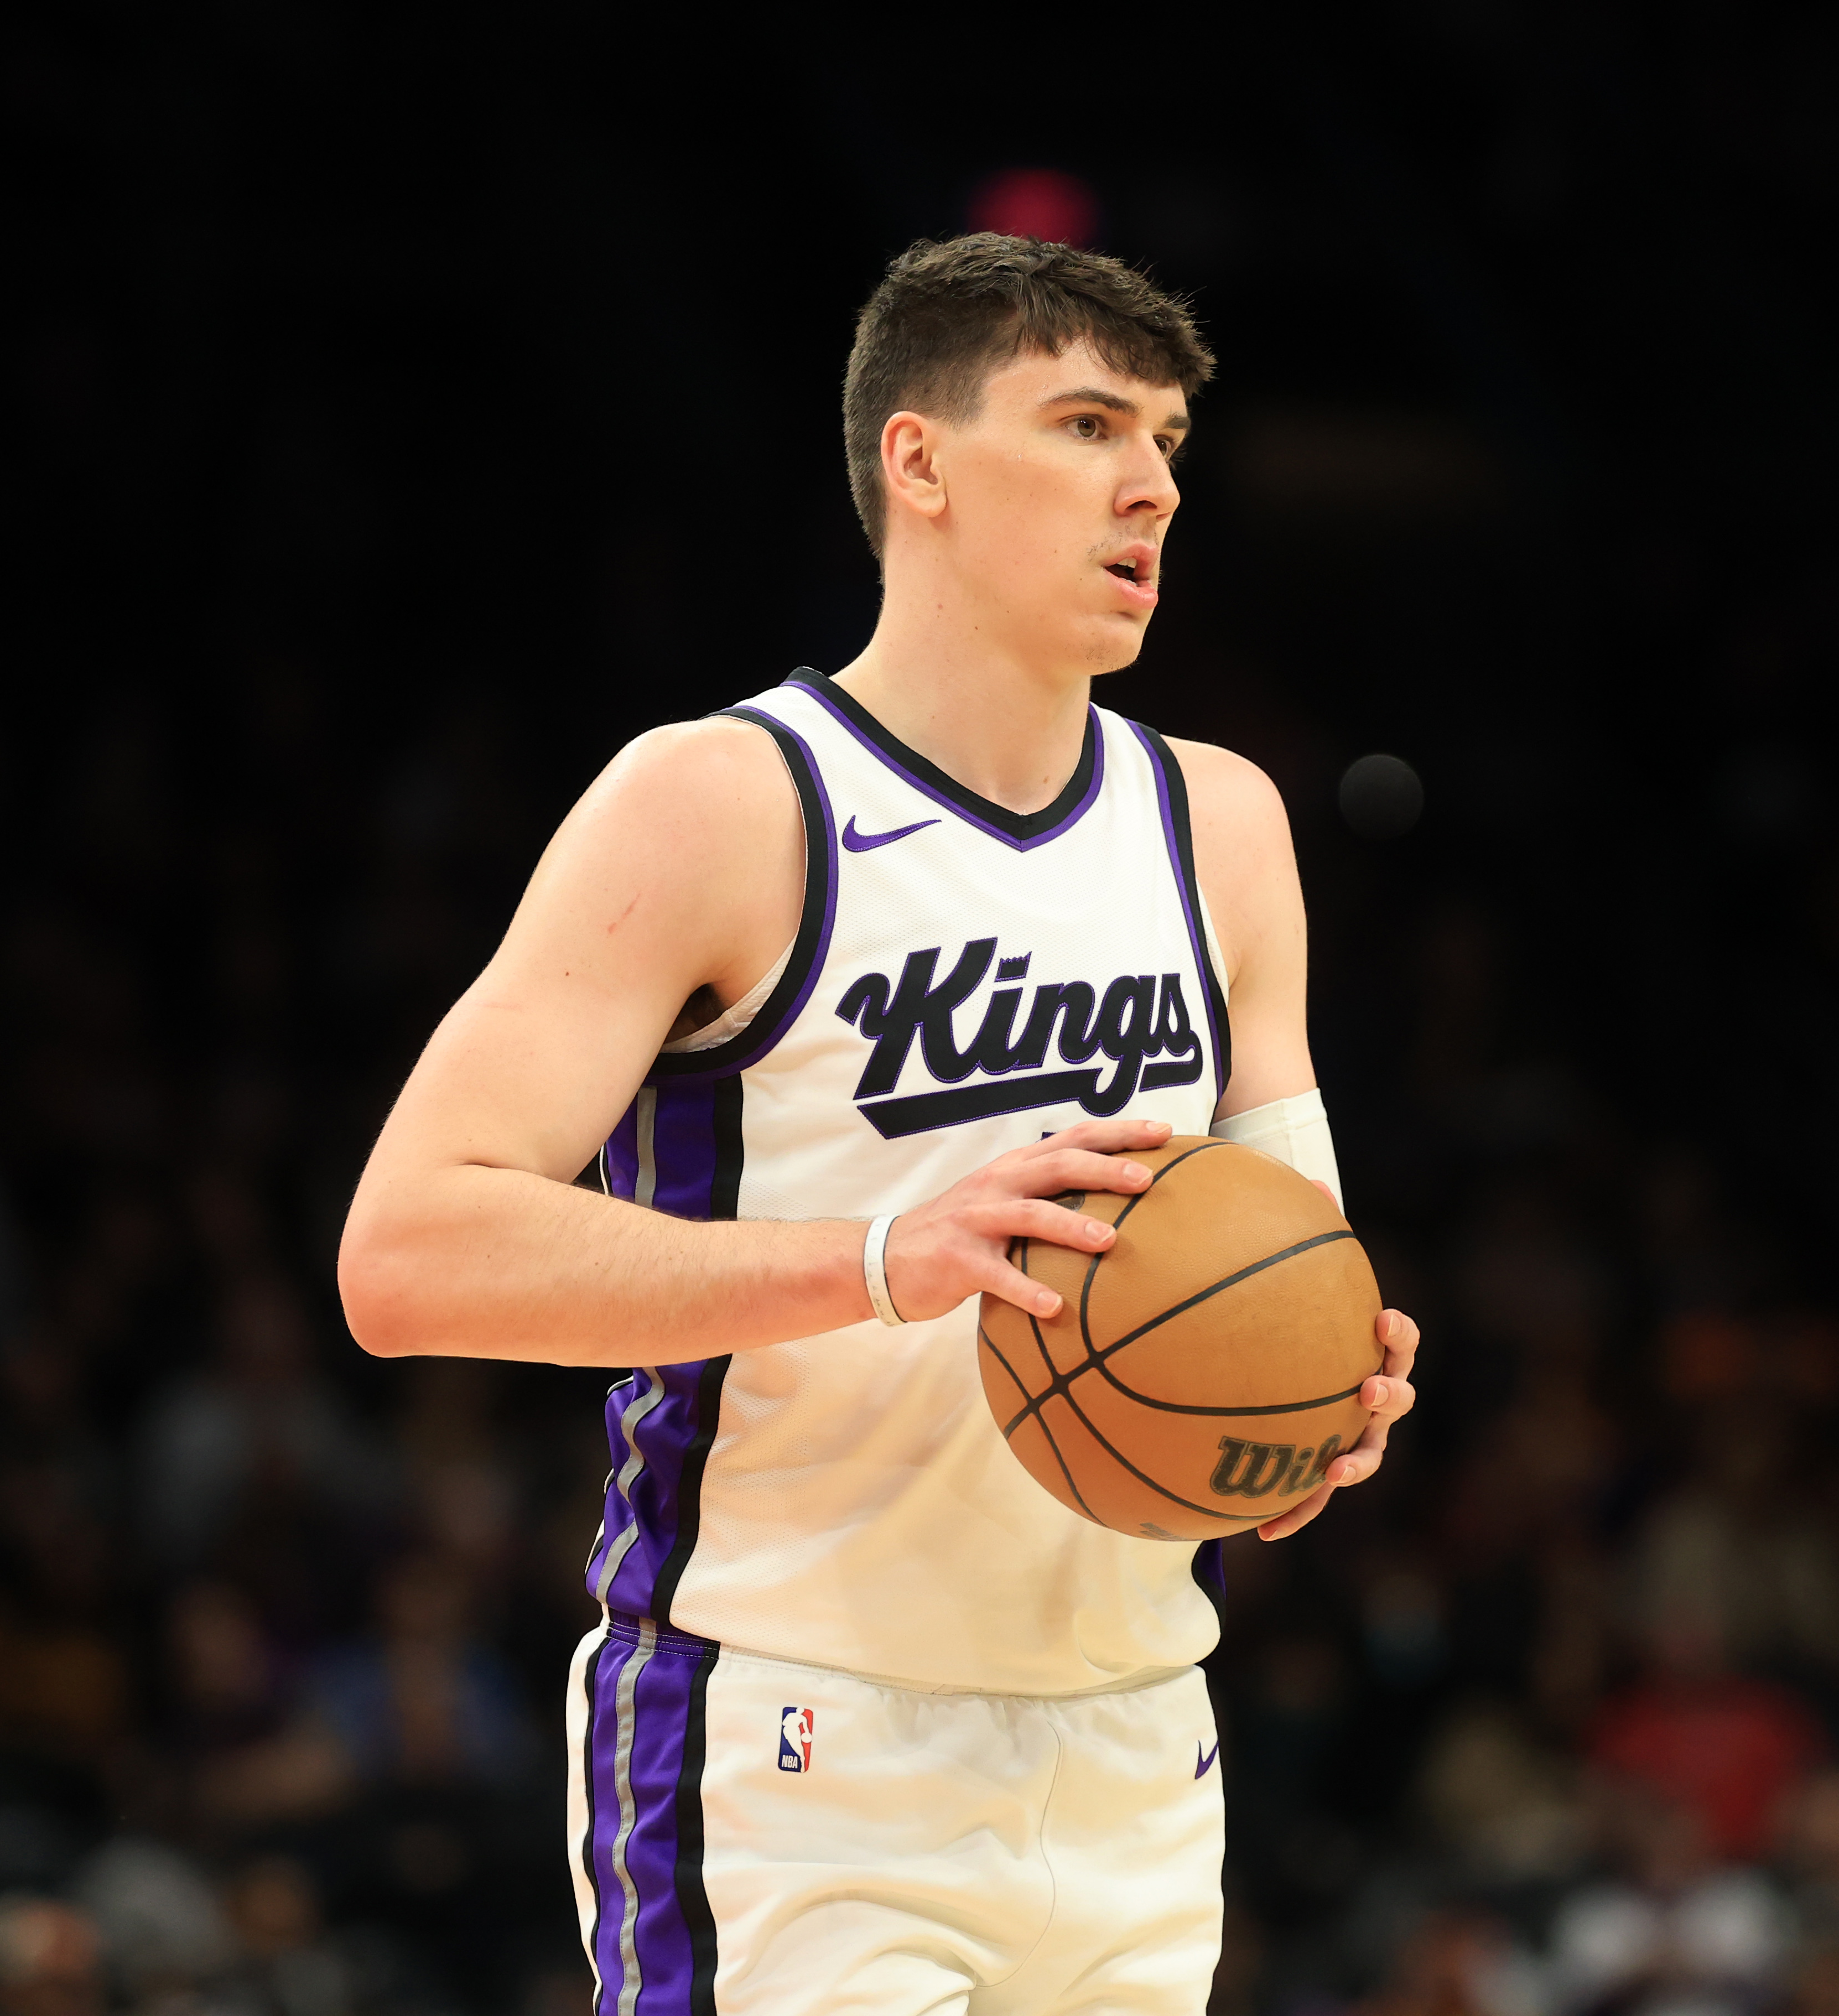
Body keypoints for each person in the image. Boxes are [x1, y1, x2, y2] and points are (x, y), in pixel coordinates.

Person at [336, 233, 1421, 2015]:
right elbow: (408, 1252)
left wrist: (1321, 1408)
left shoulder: (1220, 822)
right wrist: (880, 1257)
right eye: (1082, 424)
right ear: (916, 462)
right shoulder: (720, 801)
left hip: (1140, 1736)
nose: (1147, 481)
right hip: (799, 1733)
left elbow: (1283, 1261)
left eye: (1161, 440)